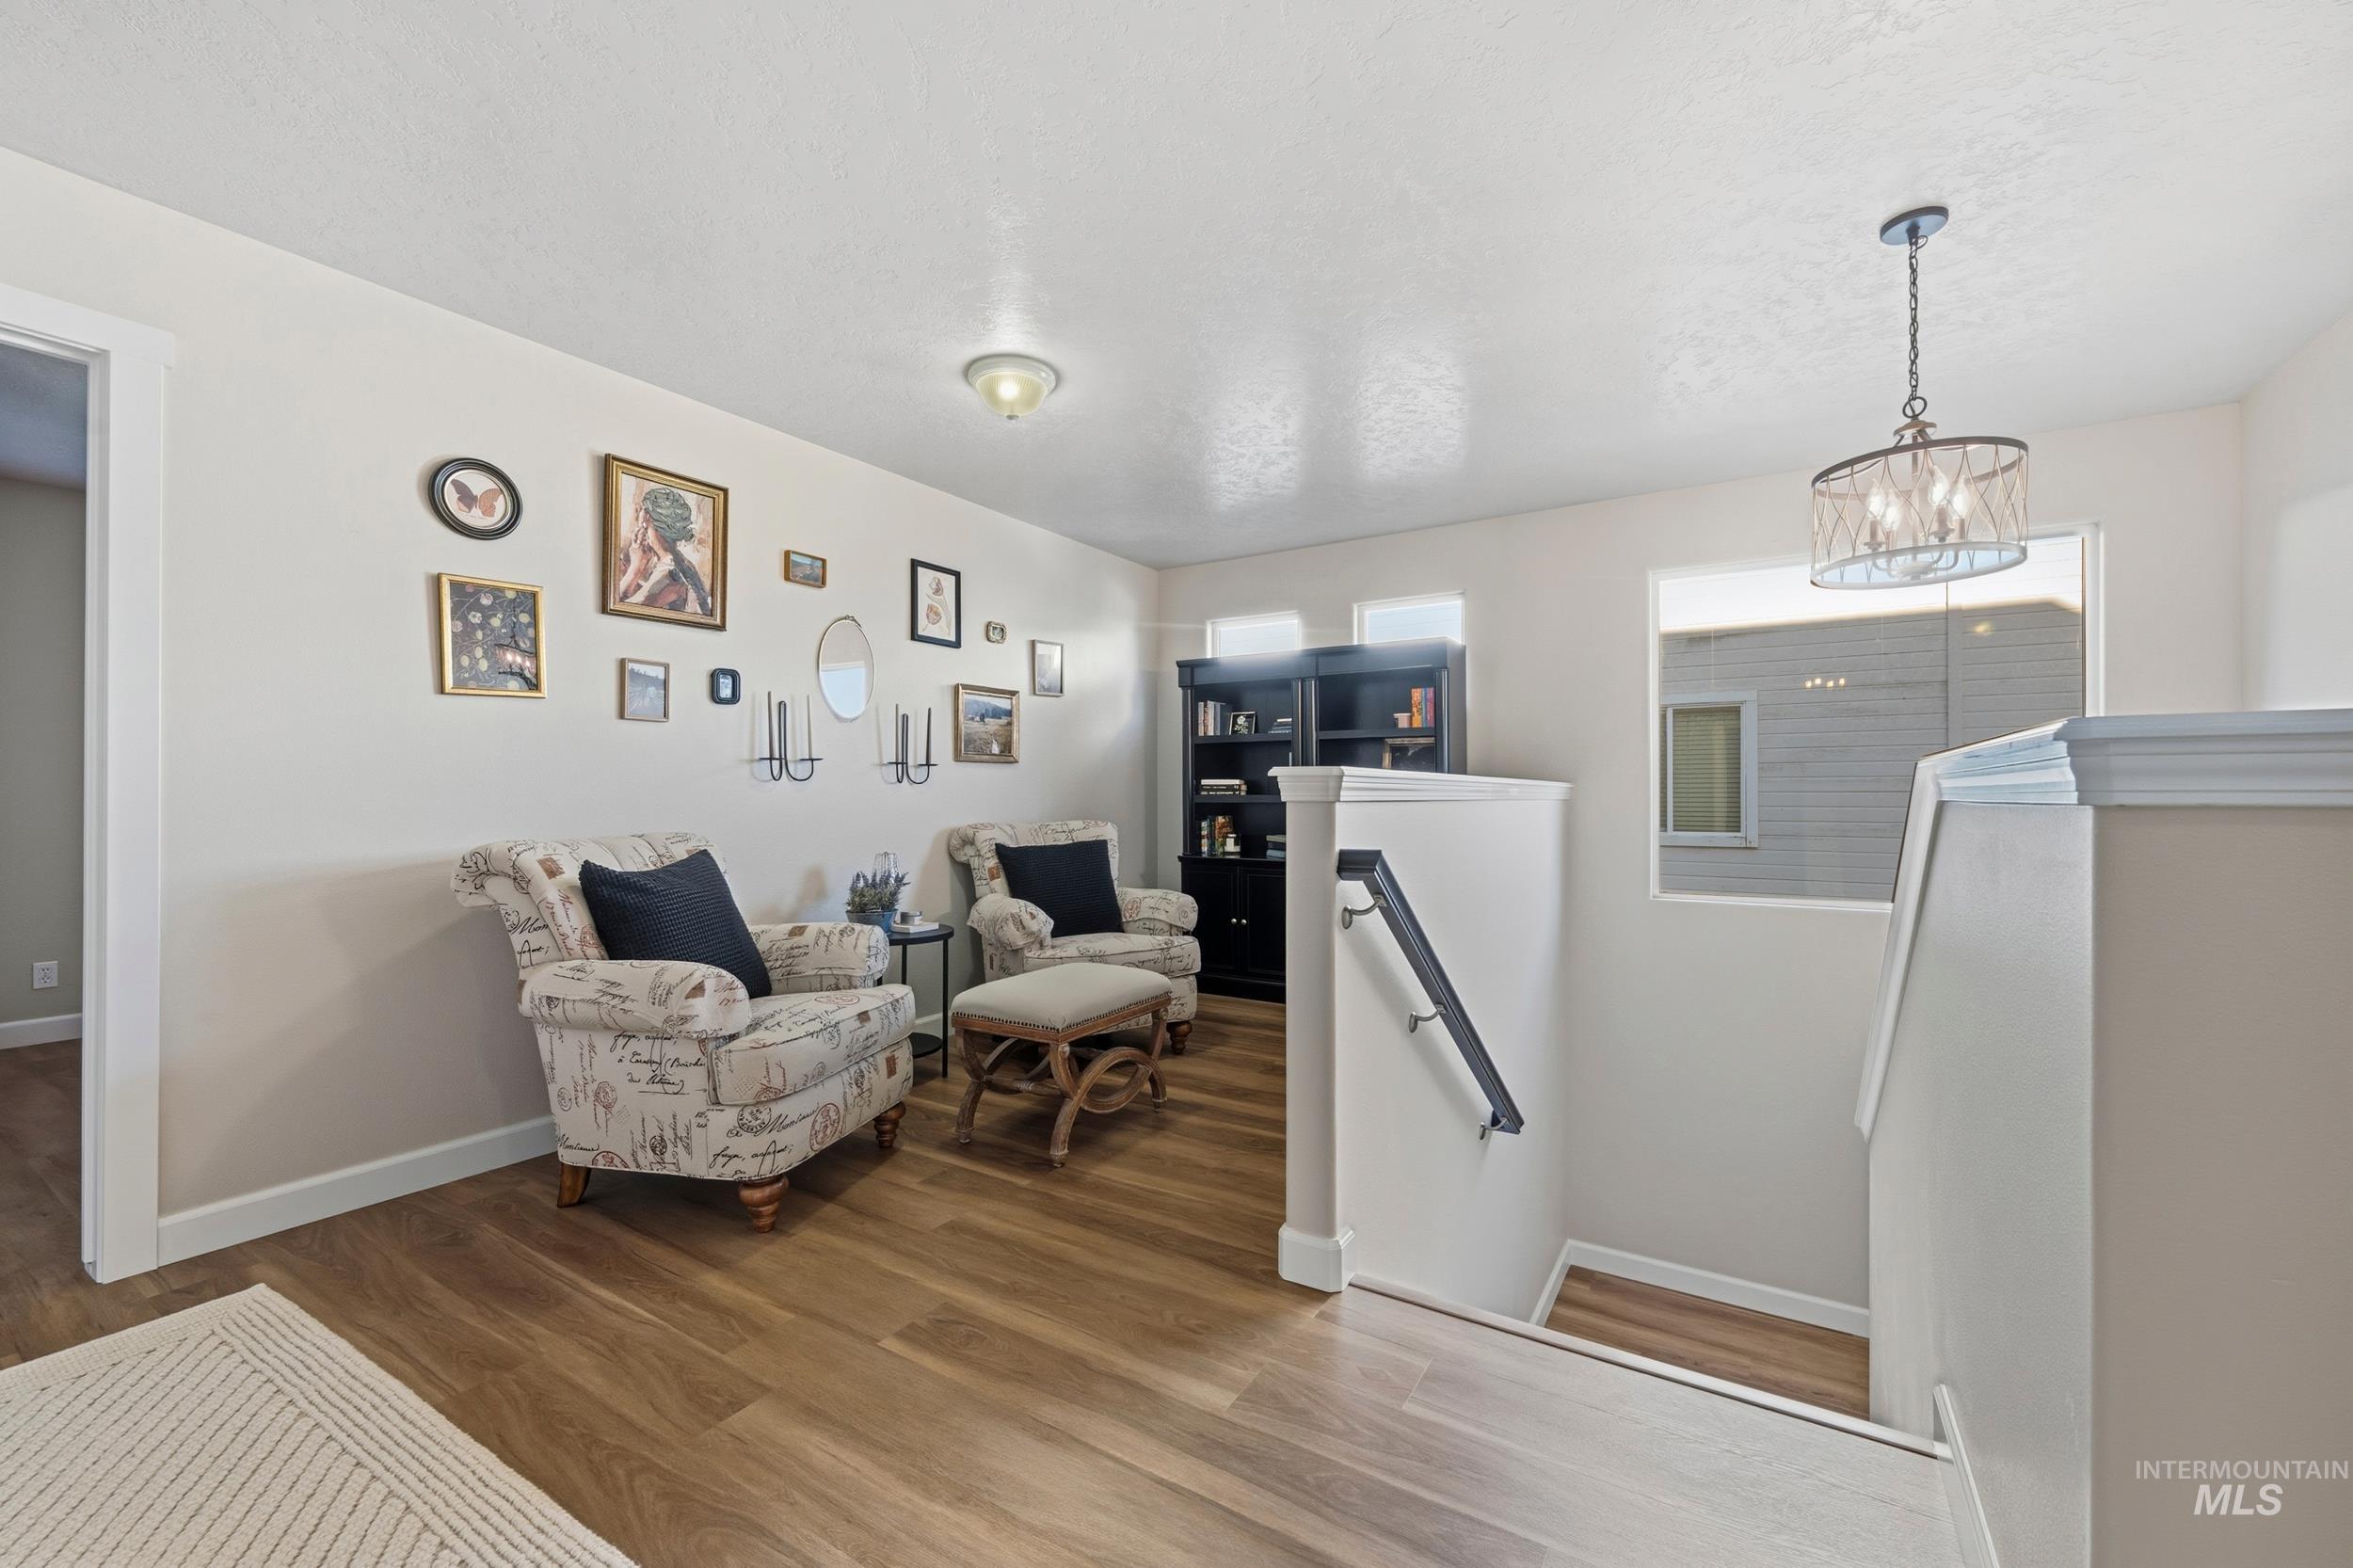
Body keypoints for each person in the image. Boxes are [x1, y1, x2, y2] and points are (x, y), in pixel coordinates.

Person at [615, 485, 712, 616]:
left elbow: (619, 608)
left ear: (659, 531)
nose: (640, 531)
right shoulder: (679, 562)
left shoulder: (670, 572)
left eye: (645, 525)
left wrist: (635, 567)